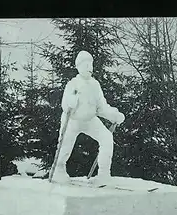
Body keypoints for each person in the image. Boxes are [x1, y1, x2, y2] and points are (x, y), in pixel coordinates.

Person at [50, 50, 125, 184]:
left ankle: (103, 174)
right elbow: (65, 105)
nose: (90, 68)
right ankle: (58, 170)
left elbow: (101, 107)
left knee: (107, 138)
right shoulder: (73, 84)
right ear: (78, 66)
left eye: (91, 64)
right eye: (86, 65)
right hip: (73, 121)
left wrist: (113, 115)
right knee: (65, 145)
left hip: (90, 120)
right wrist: (70, 102)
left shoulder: (95, 85)